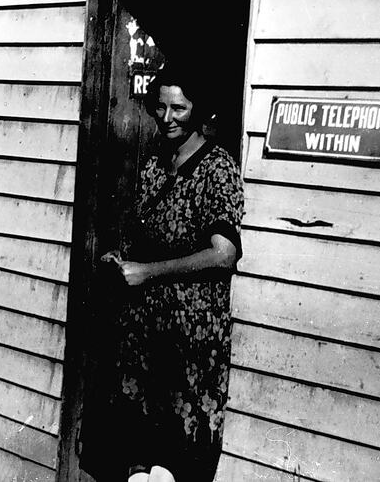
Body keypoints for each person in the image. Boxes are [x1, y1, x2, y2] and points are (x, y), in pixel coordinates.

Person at [100, 66, 244, 481]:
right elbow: (143, 239)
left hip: (188, 341)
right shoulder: (154, 166)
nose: (167, 117)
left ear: (198, 111)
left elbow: (224, 254)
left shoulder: (217, 169)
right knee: (138, 461)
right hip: (144, 334)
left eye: (178, 108)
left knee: (172, 464)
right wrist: (120, 260)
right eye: (160, 107)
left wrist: (148, 272)